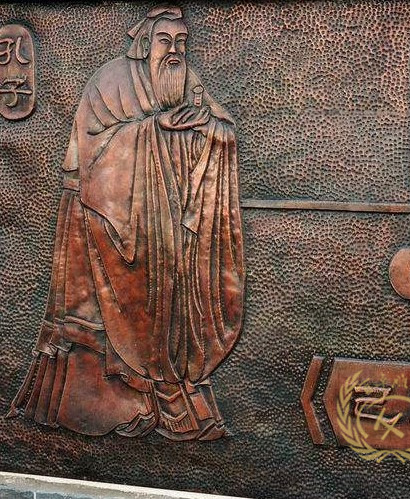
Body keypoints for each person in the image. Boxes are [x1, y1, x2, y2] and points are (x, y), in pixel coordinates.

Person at [6, 6, 244, 441]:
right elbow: (93, 150)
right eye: (165, 41)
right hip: (103, 216)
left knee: (172, 295)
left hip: (163, 222)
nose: (175, 51)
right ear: (145, 43)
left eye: (182, 42)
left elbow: (221, 125)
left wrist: (208, 129)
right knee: (128, 303)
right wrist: (155, 129)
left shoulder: (185, 80)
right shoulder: (110, 81)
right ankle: (143, 401)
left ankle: (174, 390)